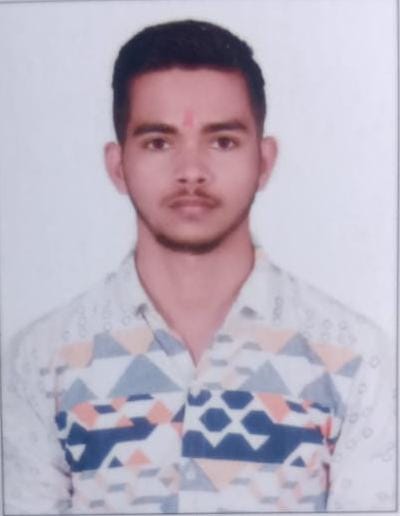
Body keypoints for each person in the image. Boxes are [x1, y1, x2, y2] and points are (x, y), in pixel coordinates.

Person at [3, 19, 395, 514]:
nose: (191, 172)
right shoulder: (43, 361)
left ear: (264, 161)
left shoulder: (354, 359)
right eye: (158, 142)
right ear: (118, 166)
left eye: (223, 141)